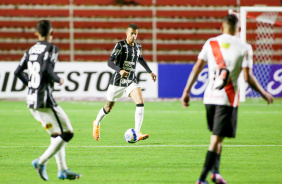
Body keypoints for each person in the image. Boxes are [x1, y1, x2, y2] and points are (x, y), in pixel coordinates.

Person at [181, 14, 273, 184]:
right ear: (239, 29)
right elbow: (248, 77)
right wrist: (263, 93)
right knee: (216, 139)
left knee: (218, 136)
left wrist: (187, 90)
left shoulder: (211, 43)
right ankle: (201, 179)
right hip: (226, 99)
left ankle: (215, 173)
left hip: (209, 98)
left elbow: (197, 67)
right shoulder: (244, 47)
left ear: (222, 28)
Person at [14, 20, 81, 181]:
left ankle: (63, 170)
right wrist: (58, 79)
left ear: (36, 33)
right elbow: (45, 68)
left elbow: (17, 71)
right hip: (44, 100)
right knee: (68, 133)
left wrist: (31, 85)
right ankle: (40, 162)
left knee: (56, 134)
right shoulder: (51, 48)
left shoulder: (30, 50)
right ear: (51, 33)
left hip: (31, 100)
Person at [92, 23, 157, 141]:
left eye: (135, 34)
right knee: (108, 108)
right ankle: (96, 123)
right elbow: (110, 62)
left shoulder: (138, 47)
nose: (133, 36)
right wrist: (120, 70)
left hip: (131, 80)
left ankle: (137, 132)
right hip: (117, 81)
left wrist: (150, 72)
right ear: (126, 33)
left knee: (140, 101)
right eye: (131, 33)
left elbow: (140, 58)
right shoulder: (120, 45)